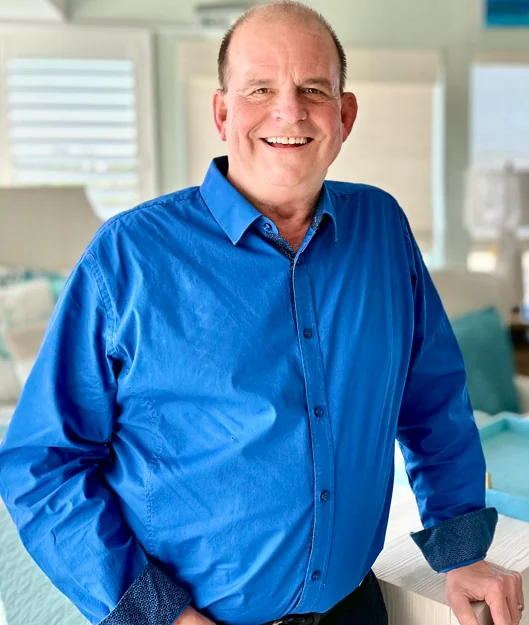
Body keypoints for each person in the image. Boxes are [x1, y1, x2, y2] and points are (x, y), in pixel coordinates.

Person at [0, 2, 525, 625]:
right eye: (260, 89)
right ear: (223, 112)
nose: (289, 110)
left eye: (312, 89)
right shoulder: (128, 257)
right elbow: (43, 464)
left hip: (357, 611)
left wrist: (460, 550)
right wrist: (156, 616)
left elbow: (431, 398)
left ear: (344, 115)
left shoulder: (383, 229)